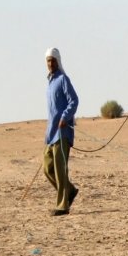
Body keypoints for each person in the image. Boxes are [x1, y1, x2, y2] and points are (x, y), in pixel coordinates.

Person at [44, 47, 79, 216]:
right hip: (51, 133)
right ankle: (69, 191)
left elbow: (74, 100)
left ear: (58, 62)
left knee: (60, 169)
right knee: (47, 168)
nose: (50, 63)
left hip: (62, 132)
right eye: (48, 61)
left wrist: (65, 117)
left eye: (53, 60)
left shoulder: (63, 79)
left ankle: (62, 206)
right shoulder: (50, 81)